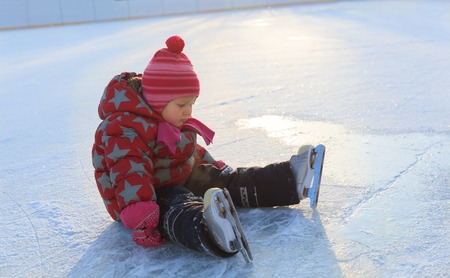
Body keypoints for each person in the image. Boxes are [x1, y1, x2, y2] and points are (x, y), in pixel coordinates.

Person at [92, 35, 322, 260]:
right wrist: (141, 213)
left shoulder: (169, 118)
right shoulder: (123, 127)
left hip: (178, 176)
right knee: (175, 204)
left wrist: (211, 167)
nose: (188, 111)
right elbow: (128, 172)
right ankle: (208, 229)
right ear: (156, 101)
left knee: (228, 181)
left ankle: (289, 178)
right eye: (182, 104)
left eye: (192, 103)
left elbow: (187, 151)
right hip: (144, 198)